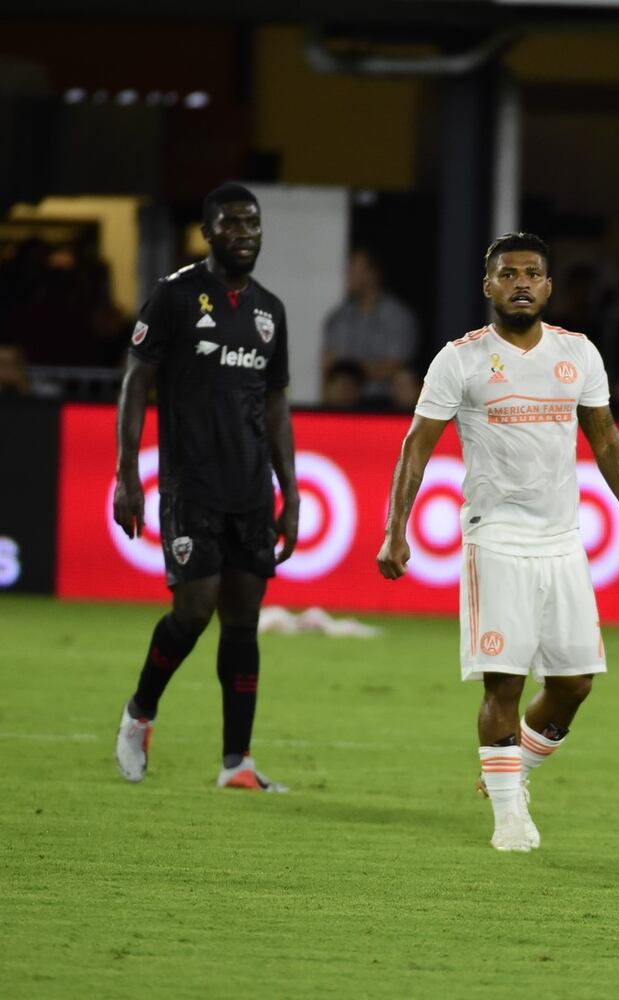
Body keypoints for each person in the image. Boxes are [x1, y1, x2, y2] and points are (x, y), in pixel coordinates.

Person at [376, 232, 619, 853]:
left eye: (532, 273)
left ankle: (511, 771)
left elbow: (605, 437)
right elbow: (417, 445)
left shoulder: (578, 353)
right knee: (503, 683)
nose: (520, 282)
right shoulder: (460, 360)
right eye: (508, 273)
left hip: (562, 540)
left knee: (575, 683)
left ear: (548, 287)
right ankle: (508, 817)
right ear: (489, 286)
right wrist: (396, 527)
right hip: (495, 538)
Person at [112, 183, 299, 793]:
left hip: (250, 490)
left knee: (243, 620)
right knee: (193, 611)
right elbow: (136, 381)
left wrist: (290, 493)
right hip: (190, 485)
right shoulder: (174, 296)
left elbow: (276, 405)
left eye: (253, 223)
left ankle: (236, 762)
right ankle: (140, 712)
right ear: (208, 232)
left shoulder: (270, 311)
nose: (245, 233)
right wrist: (126, 473)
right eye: (232, 223)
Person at [321, 246, 419, 400]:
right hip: (346, 401)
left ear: (373, 273)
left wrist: (351, 370)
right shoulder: (339, 317)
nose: (349, 275)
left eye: (355, 269)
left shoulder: (397, 316)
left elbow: (396, 366)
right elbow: (329, 366)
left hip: (385, 400)